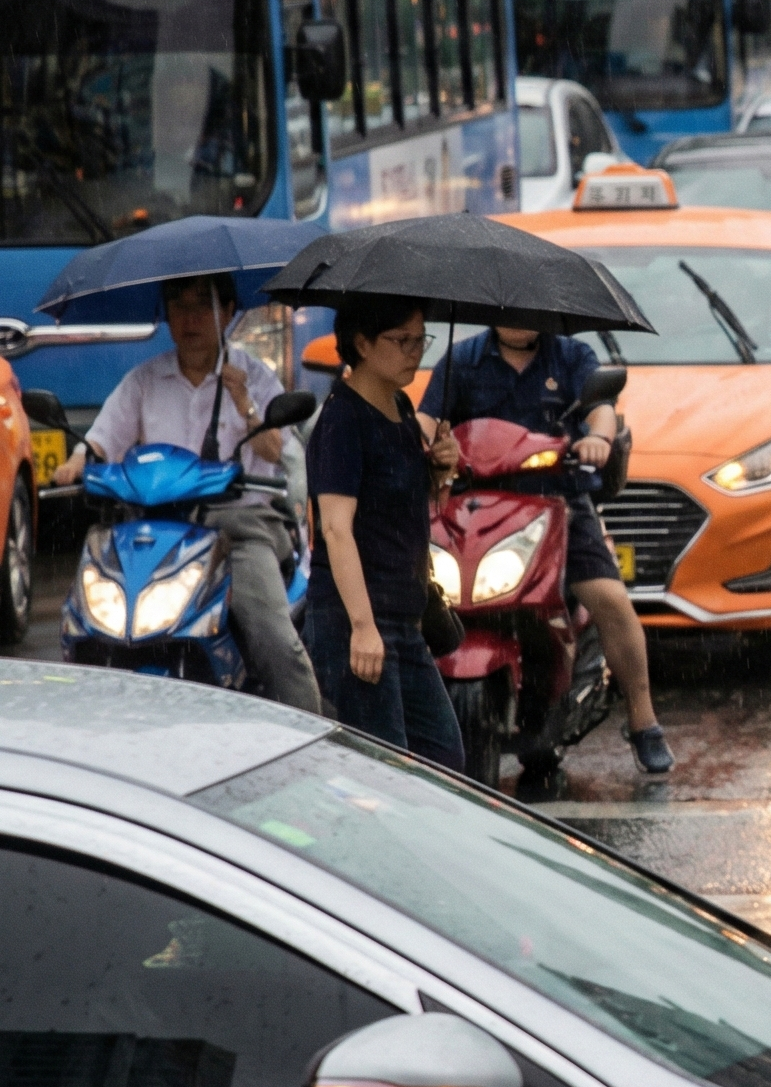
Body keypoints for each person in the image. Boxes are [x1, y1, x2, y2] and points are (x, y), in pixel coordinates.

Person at [54, 274, 321, 712]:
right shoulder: (144, 380)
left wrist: (243, 401)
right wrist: (75, 464)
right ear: (165, 316)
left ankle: (315, 746)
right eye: (178, 306)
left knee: (274, 638)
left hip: (239, 530)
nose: (190, 318)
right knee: (85, 618)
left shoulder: (253, 376)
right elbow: (101, 440)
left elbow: (276, 452)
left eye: (203, 305)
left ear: (228, 311)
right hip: (154, 532)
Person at [423, 325, 672, 774]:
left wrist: (598, 438)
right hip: (471, 505)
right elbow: (426, 423)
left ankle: (643, 718)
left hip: (559, 501)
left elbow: (601, 412)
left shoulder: (573, 358)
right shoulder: (462, 360)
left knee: (610, 598)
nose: (517, 317)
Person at [303, 298, 465, 770]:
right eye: (401, 341)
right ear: (362, 344)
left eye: (421, 340)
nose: (415, 352)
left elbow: (399, 503)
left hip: (404, 615)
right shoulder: (341, 420)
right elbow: (335, 529)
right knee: (384, 772)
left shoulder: (401, 407)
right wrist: (362, 627)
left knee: (443, 760)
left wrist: (441, 468)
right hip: (355, 618)